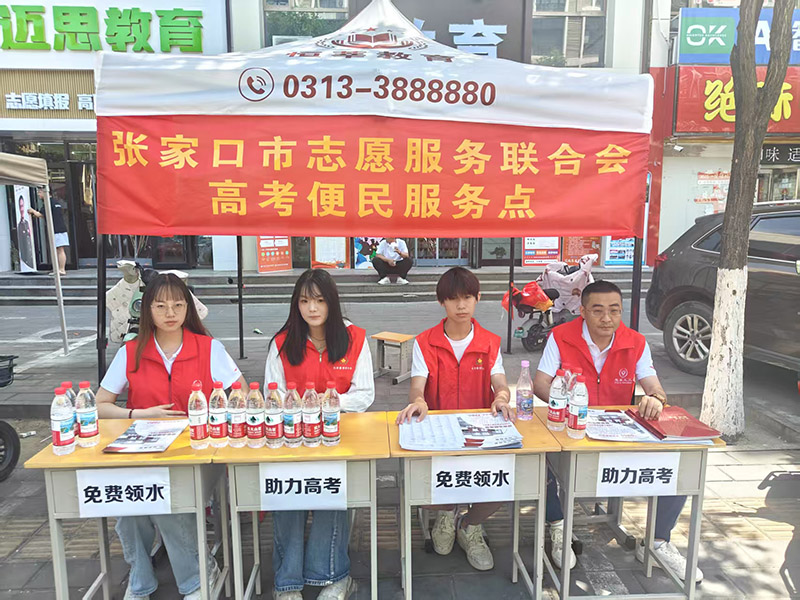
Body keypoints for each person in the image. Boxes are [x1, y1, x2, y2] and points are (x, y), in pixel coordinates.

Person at [533, 280, 702, 582]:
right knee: (538, 459)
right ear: (583, 311)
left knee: (679, 462)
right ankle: (558, 526)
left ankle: (657, 541)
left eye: (614, 311)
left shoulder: (635, 342)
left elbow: (654, 386)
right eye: (597, 311)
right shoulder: (561, 336)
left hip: (617, 433)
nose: (607, 319)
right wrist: (567, 405)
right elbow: (541, 383)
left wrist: (655, 399)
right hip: (570, 428)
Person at [96, 273, 245, 600]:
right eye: (160, 305)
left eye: (178, 305)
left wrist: (212, 415)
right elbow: (100, 405)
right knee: (128, 505)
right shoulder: (131, 351)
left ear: (188, 308)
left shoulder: (208, 348)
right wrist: (137, 414)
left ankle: (197, 577)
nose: (170, 313)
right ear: (147, 309)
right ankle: (140, 579)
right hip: (142, 451)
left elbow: (241, 395)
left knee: (167, 502)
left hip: (198, 451)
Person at [264, 268, 374, 600]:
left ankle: (334, 576)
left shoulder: (355, 338)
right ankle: (287, 583)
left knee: (331, 493)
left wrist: (328, 403)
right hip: (292, 438)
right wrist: (301, 409)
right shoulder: (282, 343)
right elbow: (272, 394)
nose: (312, 308)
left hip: (339, 437)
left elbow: (364, 394)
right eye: (304, 301)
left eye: (320, 300)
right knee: (286, 496)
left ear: (332, 303)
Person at [396, 267, 512, 571]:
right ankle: (446, 513)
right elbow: (417, 386)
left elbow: (500, 382)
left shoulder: (490, 342)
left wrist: (501, 397)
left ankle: (469, 525)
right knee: (416, 485)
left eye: (467, 298)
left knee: (509, 479)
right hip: (439, 434)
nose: (461, 305)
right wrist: (418, 402)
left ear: (478, 298)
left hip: (479, 433)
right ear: (442, 302)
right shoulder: (425, 342)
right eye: (453, 299)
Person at [28, 188, 68, 275]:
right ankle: (58, 269)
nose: (38, 194)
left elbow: (40, 214)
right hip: (61, 228)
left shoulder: (48, 203)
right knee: (58, 250)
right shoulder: (55, 202)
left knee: (59, 250)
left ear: (45, 192)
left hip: (56, 229)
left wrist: (32, 211)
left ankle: (61, 269)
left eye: (39, 192)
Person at [16, 195, 35, 269]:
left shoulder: (27, 223)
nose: (22, 209)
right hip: (26, 260)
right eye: (20, 206)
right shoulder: (19, 225)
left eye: (23, 206)